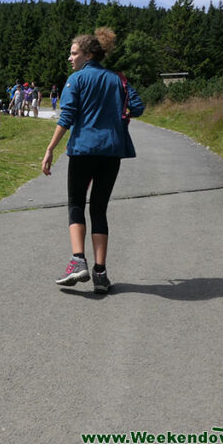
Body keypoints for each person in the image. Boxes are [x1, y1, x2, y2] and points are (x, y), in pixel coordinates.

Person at [41, 27, 144, 295]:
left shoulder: (76, 80)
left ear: (87, 55)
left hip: (83, 150)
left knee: (76, 204)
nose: (69, 58)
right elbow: (139, 107)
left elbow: (67, 117)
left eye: (73, 53)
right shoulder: (118, 78)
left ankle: (78, 262)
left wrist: (50, 149)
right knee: (99, 209)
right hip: (111, 152)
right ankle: (100, 273)